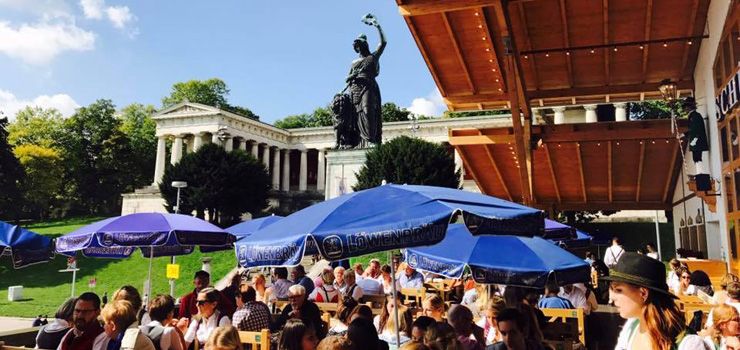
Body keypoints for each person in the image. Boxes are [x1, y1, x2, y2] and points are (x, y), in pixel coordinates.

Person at [606, 252, 707, 350]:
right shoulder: (631, 327)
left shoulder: (687, 344)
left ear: (643, 293)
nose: (612, 297)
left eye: (619, 290)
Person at [345, 14, 386, 147]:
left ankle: (370, 139)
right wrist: (351, 77)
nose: (358, 48)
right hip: (355, 89)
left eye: (360, 45)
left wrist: (377, 26)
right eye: (356, 46)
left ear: (364, 45)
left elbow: (383, 43)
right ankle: (357, 141)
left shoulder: (373, 57)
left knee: (368, 111)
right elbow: (347, 78)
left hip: (368, 86)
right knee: (355, 115)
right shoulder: (354, 62)